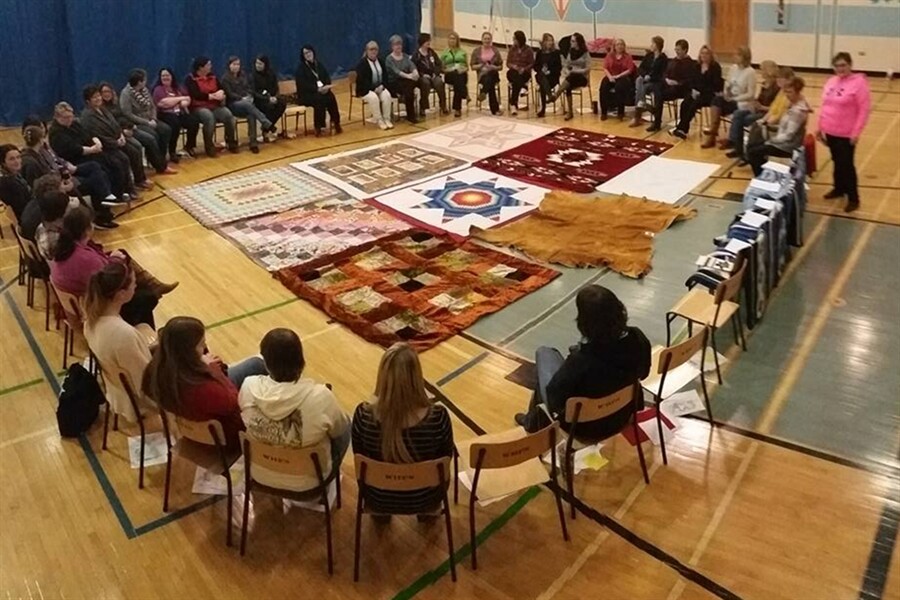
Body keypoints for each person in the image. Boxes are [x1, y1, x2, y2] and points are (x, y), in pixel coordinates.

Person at [515, 285, 651, 438]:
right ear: (619, 309)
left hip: (583, 429)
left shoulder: (580, 360)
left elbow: (555, 400)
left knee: (544, 354)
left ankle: (531, 423)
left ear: (583, 321)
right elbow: (644, 373)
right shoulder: (637, 337)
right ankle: (532, 421)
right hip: (623, 414)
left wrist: (575, 358)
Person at [239, 328, 352, 492]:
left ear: (265, 362)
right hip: (308, 481)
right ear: (301, 360)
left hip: (259, 472)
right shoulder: (320, 395)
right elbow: (339, 430)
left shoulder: (248, 385)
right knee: (345, 424)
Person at [351, 343, 454, 518]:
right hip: (427, 498)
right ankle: (426, 515)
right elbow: (446, 458)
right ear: (417, 376)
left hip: (377, 497)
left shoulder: (363, 415)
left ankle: (381, 514)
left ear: (382, 376)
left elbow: (359, 457)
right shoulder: (438, 417)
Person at [142, 316, 268, 450]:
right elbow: (233, 401)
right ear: (188, 351)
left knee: (254, 364)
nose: (204, 347)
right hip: (225, 438)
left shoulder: (157, 369)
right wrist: (216, 373)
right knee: (256, 366)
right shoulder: (203, 389)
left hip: (192, 423)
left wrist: (202, 364)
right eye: (201, 344)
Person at [49, 205, 166, 327]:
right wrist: (115, 259)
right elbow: (109, 280)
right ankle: (137, 334)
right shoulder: (85, 258)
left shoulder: (63, 247)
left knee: (141, 291)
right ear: (87, 230)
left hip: (80, 298)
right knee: (147, 297)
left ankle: (141, 331)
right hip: (94, 305)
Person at [84, 262, 154, 421]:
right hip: (138, 397)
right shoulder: (124, 334)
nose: (136, 286)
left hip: (116, 389)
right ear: (121, 294)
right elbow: (145, 382)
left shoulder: (90, 321)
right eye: (134, 284)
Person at [20, 121, 118, 228]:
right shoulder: (31, 162)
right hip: (59, 186)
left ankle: (105, 203)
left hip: (63, 174)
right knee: (96, 181)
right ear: (40, 139)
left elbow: (56, 160)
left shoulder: (41, 150)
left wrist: (66, 166)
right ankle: (102, 214)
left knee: (94, 167)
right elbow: (40, 186)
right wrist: (63, 185)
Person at [817, 52, 871, 213]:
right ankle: (839, 188)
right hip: (830, 130)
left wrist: (856, 132)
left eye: (843, 65)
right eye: (837, 66)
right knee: (836, 161)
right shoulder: (831, 81)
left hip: (847, 133)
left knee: (846, 165)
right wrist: (820, 127)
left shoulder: (859, 83)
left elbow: (864, 110)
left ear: (850, 65)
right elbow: (824, 105)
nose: (840, 69)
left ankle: (854, 198)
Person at [48, 102, 133, 204]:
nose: (70, 119)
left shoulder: (74, 124)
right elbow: (72, 149)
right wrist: (92, 149)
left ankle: (118, 192)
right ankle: (105, 197)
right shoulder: (56, 133)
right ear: (58, 117)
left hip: (89, 151)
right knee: (104, 166)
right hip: (75, 159)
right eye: (66, 117)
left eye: (71, 116)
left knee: (116, 161)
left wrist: (96, 141)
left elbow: (87, 134)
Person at [81, 85, 148, 194]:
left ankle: (139, 180)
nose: (98, 99)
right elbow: (96, 135)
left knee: (134, 151)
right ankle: (123, 191)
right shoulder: (87, 117)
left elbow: (115, 124)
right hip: (105, 147)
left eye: (98, 96)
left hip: (117, 140)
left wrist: (121, 135)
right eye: (94, 97)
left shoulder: (103, 109)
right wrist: (115, 142)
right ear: (88, 101)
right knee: (122, 160)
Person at [746, 77, 811, 176]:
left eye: (790, 92)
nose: (787, 95)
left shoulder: (797, 111)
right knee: (754, 144)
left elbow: (788, 135)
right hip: (782, 142)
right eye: (786, 92)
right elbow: (783, 128)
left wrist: (771, 140)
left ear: (798, 92)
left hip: (788, 147)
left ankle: (762, 176)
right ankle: (764, 174)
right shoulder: (792, 105)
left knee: (753, 152)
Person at [96, 83, 153, 189]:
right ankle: (138, 179)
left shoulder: (116, 103)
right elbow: (111, 125)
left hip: (127, 129)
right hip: (117, 136)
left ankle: (140, 177)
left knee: (147, 140)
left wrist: (130, 127)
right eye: (103, 92)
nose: (106, 94)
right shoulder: (102, 109)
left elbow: (125, 116)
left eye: (108, 91)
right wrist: (123, 132)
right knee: (136, 147)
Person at [120, 69, 178, 171]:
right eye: (144, 79)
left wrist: (153, 118)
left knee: (166, 130)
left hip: (150, 119)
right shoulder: (126, 94)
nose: (146, 81)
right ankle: (159, 165)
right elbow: (128, 114)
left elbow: (152, 106)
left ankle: (161, 157)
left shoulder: (145, 90)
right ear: (139, 82)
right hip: (138, 122)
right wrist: (146, 122)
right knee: (153, 136)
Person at [701, 46, 756, 148]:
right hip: (730, 97)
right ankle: (713, 133)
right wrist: (726, 92)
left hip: (741, 102)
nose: (734, 57)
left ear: (744, 56)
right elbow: (727, 82)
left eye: (737, 55)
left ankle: (713, 134)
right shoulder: (733, 68)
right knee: (717, 100)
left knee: (719, 104)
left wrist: (734, 98)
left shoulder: (750, 72)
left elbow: (751, 94)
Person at [725, 60, 780, 158]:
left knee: (745, 119)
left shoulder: (777, 87)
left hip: (767, 113)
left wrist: (762, 107)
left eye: (762, 70)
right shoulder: (764, 84)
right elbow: (759, 99)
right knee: (738, 114)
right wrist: (754, 103)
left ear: (768, 71)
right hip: (759, 109)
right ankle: (736, 146)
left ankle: (744, 149)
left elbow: (776, 107)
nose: (761, 72)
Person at [221, 56, 276, 154]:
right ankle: (266, 123)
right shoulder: (225, 78)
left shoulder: (243, 75)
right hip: (233, 105)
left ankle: (253, 143)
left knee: (251, 114)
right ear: (229, 65)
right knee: (248, 106)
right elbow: (230, 94)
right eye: (234, 64)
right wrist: (242, 98)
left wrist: (248, 96)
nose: (236, 67)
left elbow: (249, 88)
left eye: (238, 64)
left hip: (246, 103)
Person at [185, 56, 238, 157]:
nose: (211, 66)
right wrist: (212, 96)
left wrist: (221, 92)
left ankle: (231, 142)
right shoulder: (190, 79)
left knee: (228, 116)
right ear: (201, 67)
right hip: (198, 107)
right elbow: (196, 94)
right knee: (209, 118)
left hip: (214, 105)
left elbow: (221, 88)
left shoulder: (213, 76)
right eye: (208, 65)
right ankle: (209, 147)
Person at [669, 45, 723, 139]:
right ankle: (682, 128)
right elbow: (692, 81)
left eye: (706, 53)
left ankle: (682, 129)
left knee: (694, 104)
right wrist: (694, 90)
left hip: (709, 95)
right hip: (696, 92)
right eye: (702, 53)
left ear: (711, 55)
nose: (704, 55)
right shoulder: (697, 66)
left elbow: (715, 86)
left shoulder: (715, 67)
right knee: (685, 103)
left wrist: (700, 92)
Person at [644, 39, 694, 132]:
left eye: (679, 50)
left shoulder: (690, 63)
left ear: (685, 50)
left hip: (681, 89)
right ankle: (656, 121)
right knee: (657, 90)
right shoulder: (673, 61)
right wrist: (666, 79)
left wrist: (677, 83)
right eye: (676, 49)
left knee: (659, 94)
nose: (676, 51)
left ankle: (655, 113)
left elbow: (689, 80)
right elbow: (665, 73)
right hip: (669, 86)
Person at [151, 67, 200, 159]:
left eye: (167, 75)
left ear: (172, 76)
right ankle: (172, 151)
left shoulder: (178, 87)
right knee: (175, 124)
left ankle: (189, 146)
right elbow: (163, 103)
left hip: (179, 113)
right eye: (163, 76)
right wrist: (180, 99)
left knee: (193, 122)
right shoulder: (158, 89)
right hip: (164, 114)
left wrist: (177, 101)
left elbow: (188, 100)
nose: (165, 77)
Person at [295, 45, 342, 136]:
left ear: (313, 52)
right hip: (306, 95)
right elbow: (303, 85)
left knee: (331, 96)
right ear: (303, 56)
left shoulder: (319, 65)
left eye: (309, 52)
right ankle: (319, 127)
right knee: (319, 99)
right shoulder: (301, 68)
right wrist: (317, 89)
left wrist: (326, 87)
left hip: (321, 92)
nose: (308, 54)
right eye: (305, 53)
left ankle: (336, 122)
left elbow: (327, 77)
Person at [355, 41, 394, 130]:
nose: (373, 52)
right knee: (374, 98)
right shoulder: (362, 64)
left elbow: (385, 76)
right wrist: (373, 89)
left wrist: (382, 86)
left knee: (387, 95)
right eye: (371, 49)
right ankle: (379, 120)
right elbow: (362, 81)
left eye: (375, 49)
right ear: (367, 51)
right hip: (365, 89)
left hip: (380, 87)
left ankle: (387, 119)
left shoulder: (381, 61)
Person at [551, 33, 590, 121]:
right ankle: (570, 112)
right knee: (568, 85)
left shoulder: (585, 53)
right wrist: (567, 70)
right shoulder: (570, 52)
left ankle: (556, 95)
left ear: (578, 42)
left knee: (570, 79)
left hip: (582, 77)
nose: (571, 43)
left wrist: (575, 71)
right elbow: (567, 64)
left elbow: (587, 69)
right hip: (572, 77)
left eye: (573, 41)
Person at [384, 35, 420, 125]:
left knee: (411, 86)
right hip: (394, 82)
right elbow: (396, 72)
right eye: (396, 44)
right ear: (392, 46)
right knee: (409, 87)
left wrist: (415, 72)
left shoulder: (405, 56)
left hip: (406, 81)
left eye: (400, 44)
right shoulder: (389, 59)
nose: (398, 46)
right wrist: (409, 76)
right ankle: (411, 115)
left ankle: (414, 110)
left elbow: (411, 65)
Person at [599, 38, 635, 121]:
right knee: (603, 86)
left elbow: (630, 70)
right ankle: (604, 112)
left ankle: (620, 112)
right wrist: (610, 77)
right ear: (614, 47)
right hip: (611, 76)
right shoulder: (609, 56)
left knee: (619, 88)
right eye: (618, 44)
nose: (620, 46)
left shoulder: (628, 56)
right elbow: (605, 68)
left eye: (622, 44)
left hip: (623, 77)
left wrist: (618, 76)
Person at [412, 33, 448, 117]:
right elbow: (413, 68)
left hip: (433, 75)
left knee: (439, 82)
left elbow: (438, 64)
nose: (429, 42)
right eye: (427, 41)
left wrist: (435, 73)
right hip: (422, 77)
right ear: (422, 42)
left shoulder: (431, 52)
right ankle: (423, 107)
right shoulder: (416, 55)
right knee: (425, 84)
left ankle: (443, 105)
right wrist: (422, 75)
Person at [251, 55, 287, 137]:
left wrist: (275, 97)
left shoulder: (271, 74)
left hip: (272, 98)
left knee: (281, 104)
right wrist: (267, 99)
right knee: (269, 107)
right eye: (256, 63)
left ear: (265, 65)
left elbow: (276, 87)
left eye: (260, 64)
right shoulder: (253, 76)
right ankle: (267, 129)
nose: (258, 65)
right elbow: (254, 92)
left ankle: (265, 128)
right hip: (260, 101)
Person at [36, 189, 77, 261]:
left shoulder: (42, 226)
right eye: (67, 206)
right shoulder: (58, 239)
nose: (70, 207)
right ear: (60, 212)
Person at [631, 37, 667, 117]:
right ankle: (641, 104)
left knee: (642, 86)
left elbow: (662, 74)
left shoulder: (663, 59)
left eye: (653, 43)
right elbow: (640, 68)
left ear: (657, 45)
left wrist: (651, 77)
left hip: (655, 81)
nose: (651, 45)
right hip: (645, 79)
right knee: (639, 80)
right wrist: (645, 75)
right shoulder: (649, 55)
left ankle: (638, 111)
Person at [470, 31, 503, 116]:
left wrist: (493, 67)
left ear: (491, 40)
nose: (487, 40)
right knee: (490, 85)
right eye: (485, 39)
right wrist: (481, 66)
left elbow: (500, 66)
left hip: (494, 73)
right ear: (482, 40)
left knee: (491, 74)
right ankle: (495, 110)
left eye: (488, 39)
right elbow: (472, 66)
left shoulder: (495, 51)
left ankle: (483, 92)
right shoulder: (476, 51)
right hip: (482, 76)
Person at [0, 144, 34, 221]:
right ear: (3, 162)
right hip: (27, 218)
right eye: (12, 159)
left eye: (18, 157)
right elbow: (22, 207)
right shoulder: (8, 182)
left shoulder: (14, 174)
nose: (17, 161)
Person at [505, 30, 534, 116]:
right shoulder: (512, 49)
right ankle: (523, 87)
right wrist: (514, 66)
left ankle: (513, 103)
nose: (513, 40)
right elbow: (508, 62)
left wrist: (524, 69)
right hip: (513, 71)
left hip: (524, 72)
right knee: (513, 75)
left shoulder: (528, 50)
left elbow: (532, 63)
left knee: (516, 83)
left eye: (515, 39)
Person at [440, 32, 468, 118]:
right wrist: (449, 69)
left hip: (462, 73)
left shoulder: (463, 52)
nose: (452, 40)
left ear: (457, 40)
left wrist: (462, 69)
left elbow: (467, 67)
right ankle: (464, 95)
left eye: (454, 38)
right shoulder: (445, 53)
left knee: (458, 80)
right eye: (451, 38)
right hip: (449, 74)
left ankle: (458, 108)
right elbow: (441, 69)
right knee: (458, 79)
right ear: (448, 40)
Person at [534, 33, 562, 118]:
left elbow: (559, 67)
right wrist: (541, 70)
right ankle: (550, 96)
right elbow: (535, 66)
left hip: (552, 77)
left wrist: (549, 71)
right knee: (541, 76)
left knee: (543, 84)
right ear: (544, 42)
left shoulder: (556, 53)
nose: (550, 42)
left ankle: (543, 109)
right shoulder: (539, 53)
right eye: (548, 40)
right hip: (541, 74)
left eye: (551, 40)